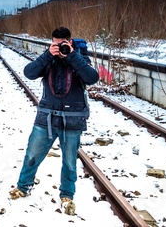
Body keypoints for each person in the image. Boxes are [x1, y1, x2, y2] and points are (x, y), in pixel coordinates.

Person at [9, 26, 99, 215]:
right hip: (46, 117)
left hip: (72, 119)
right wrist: (48, 55)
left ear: (69, 41)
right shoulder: (48, 59)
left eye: (62, 44)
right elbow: (29, 73)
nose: (59, 47)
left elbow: (92, 78)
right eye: (55, 44)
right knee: (32, 155)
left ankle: (67, 195)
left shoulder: (79, 58)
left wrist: (73, 56)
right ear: (52, 42)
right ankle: (23, 187)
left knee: (69, 161)